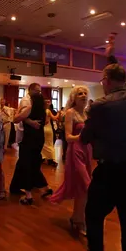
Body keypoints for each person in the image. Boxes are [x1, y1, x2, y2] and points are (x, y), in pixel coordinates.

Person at [74, 34, 126, 251]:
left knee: (93, 213)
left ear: (106, 81)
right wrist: (111, 56)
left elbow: (85, 138)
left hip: (110, 171)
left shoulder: (99, 106)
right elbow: (124, 79)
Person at [50, 86, 93, 234]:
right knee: (86, 184)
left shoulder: (86, 114)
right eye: (80, 93)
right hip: (76, 151)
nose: (83, 95)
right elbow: (68, 137)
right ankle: (79, 220)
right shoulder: (70, 113)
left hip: (87, 150)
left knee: (82, 187)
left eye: (85, 93)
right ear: (74, 98)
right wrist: (82, 136)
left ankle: (78, 218)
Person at [9, 86, 53, 204]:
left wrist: (20, 113)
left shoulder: (29, 108)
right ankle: (45, 187)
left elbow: (15, 119)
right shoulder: (44, 111)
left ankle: (28, 196)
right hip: (39, 139)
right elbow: (46, 122)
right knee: (33, 164)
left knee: (27, 165)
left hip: (29, 139)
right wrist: (31, 121)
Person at [42, 99, 59, 166]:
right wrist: (58, 113)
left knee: (44, 144)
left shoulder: (41, 110)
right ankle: (51, 159)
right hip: (48, 129)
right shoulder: (48, 111)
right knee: (50, 144)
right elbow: (54, 118)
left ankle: (43, 157)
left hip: (42, 129)